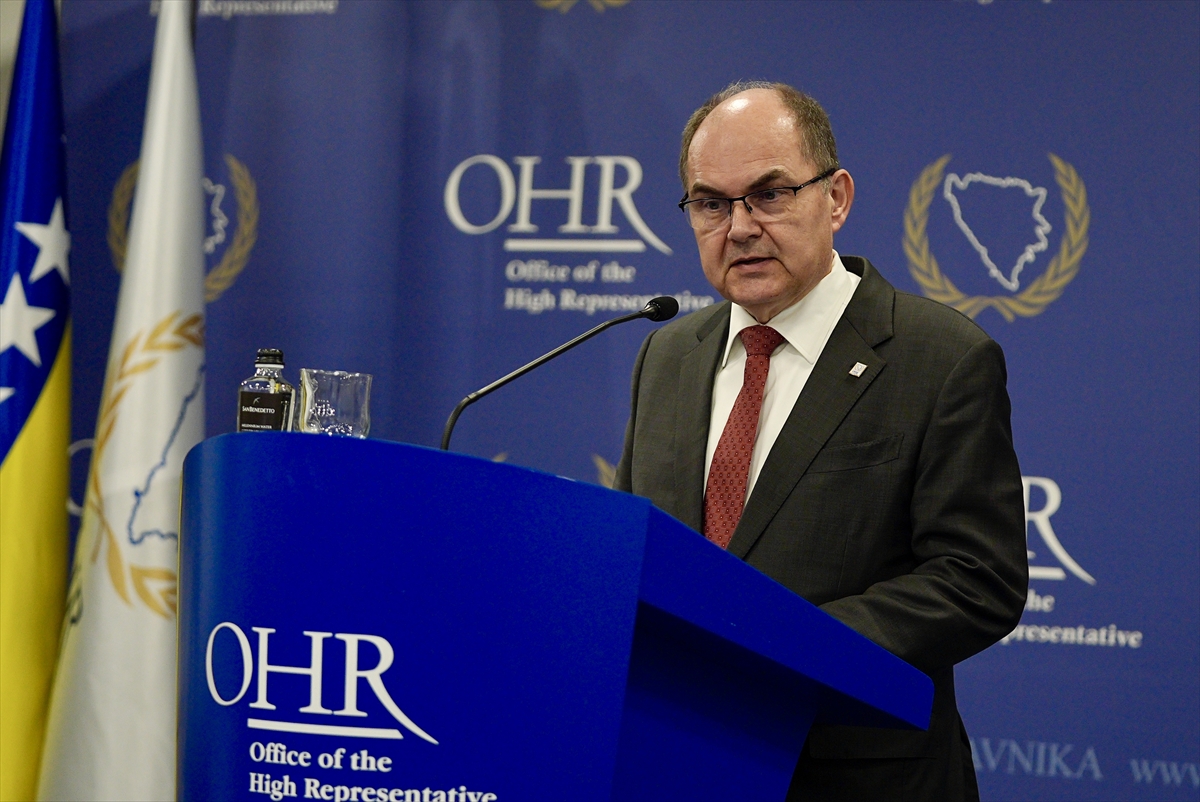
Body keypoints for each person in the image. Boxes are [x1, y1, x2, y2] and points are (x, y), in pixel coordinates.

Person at [614, 81, 1028, 801]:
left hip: (855, 776)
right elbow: (637, 547)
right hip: (678, 758)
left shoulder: (940, 357)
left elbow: (977, 577)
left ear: (835, 198)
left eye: (769, 195)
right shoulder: (668, 354)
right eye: (711, 204)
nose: (740, 227)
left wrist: (784, 643)